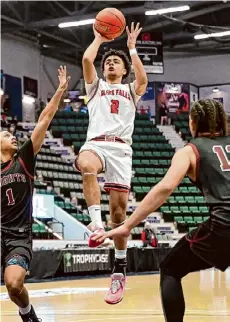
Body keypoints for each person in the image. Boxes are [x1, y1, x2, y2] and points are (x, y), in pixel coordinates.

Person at [92, 99, 230, 321]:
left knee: (170, 269)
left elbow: (165, 187)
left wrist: (127, 226)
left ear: (192, 123)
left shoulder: (190, 151)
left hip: (224, 226)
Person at [75, 22, 147, 304]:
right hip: (96, 143)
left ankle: (119, 268)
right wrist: (98, 39)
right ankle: (95, 226)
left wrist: (131, 48)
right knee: (87, 165)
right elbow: (85, 60)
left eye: (116, 62)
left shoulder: (131, 90)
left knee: (119, 217)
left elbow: (142, 81)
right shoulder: (95, 88)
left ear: (124, 69)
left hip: (121, 151)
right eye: (108, 62)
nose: (111, 65)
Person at [1, 66, 70, 322]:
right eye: (7, 135)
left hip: (19, 237)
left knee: (14, 286)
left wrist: (61, 91)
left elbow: (44, 119)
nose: (13, 137)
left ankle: (27, 313)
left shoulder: (24, 160)